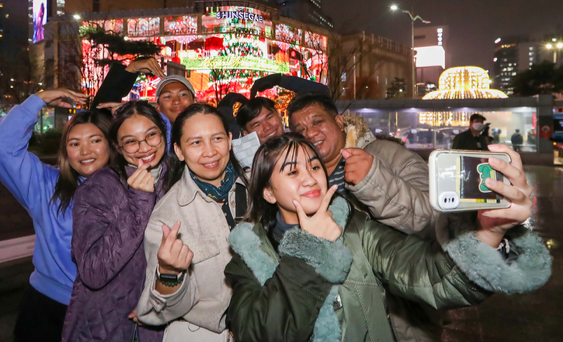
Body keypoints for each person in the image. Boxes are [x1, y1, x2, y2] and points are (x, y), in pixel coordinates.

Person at [225, 134, 551, 342]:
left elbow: (426, 275)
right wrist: (310, 251)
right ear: (268, 192)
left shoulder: (358, 229)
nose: (310, 178)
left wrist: (489, 232)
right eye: (292, 172)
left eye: (314, 166)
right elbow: (259, 333)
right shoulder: (249, 255)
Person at [0, 88, 112, 342]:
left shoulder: (133, 187)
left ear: (111, 143)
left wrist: (131, 118)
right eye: (75, 143)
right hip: (46, 308)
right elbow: (0, 148)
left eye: (95, 140)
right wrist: (37, 100)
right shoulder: (47, 185)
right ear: (66, 151)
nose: (85, 150)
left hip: (106, 311)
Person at [62, 101, 178, 342]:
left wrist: (158, 303)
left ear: (162, 134)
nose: (144, 147)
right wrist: (139, 202)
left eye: (151, 135)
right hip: (106, 326)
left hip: (163, 325)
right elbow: (93, 271)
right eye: (131, 141)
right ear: (119, 146)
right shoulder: (99, 187)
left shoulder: (179, 179)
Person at [136, 104, 249, 341]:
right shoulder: (167, 216)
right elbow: (155, 312)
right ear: (179, 151)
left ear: (229, 140)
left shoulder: (259, 190)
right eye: (196, 143)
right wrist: (169, 274)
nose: (210, 152)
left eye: (217, 138)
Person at [287, 92, 433, 234]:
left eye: (317, 122)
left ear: (339, 122)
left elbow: (430, 217)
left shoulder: (388, 154)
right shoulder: (298, 181)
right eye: (301, 130)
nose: (310, 133)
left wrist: (373, 180)